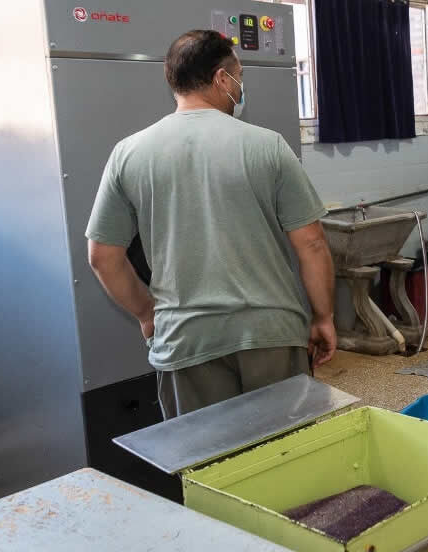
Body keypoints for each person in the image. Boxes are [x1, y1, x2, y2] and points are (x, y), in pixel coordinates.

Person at [86, 30, 336, 419]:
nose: (241, 86)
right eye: (239, 76)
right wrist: (323, 317)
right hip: (270, 333)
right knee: (285, 457)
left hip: (186, 340)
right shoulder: (267, 145)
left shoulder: (129, 153)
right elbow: (313, 244)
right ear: (222, 78)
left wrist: (147, 313)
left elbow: (102, 257)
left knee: (207, 461)